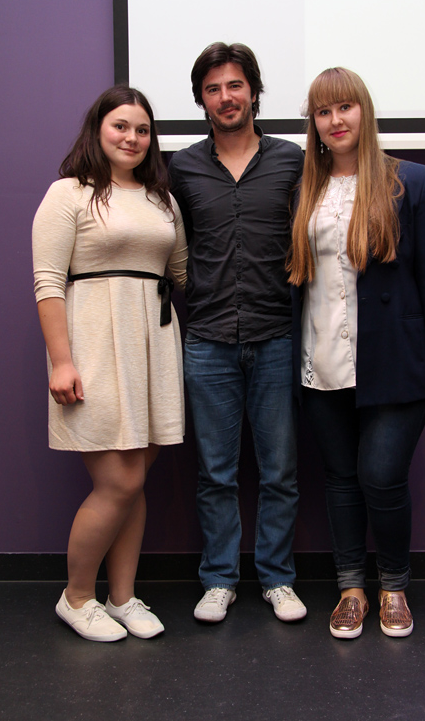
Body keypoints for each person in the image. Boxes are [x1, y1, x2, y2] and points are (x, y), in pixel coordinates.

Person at [288, 67, 425, 638]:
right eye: (323, 111)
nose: (335, 120)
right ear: (314, 124)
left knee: (381, 476)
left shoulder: (410, 181)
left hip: (396, 357)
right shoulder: (305, 189)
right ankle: (350, 589)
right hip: (321, 357)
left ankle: (393, 587)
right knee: (341, 478)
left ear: (364, 111)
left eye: (345, 107)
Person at [32, 85, 187, 642]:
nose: (132, 137)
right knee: (118, 481)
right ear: (97, 129)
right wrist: (61, 361)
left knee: (135, 479)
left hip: (154, 347)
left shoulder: (162, 200)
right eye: (121, 126)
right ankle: (76, 597)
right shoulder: (68, 193)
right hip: (94, 346)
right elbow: (48, 282)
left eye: (143, 130)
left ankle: (122, 596)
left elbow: (182, 272)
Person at [169, 43, 307, 623]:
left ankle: (277, 579)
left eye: (235, 85)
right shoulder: (182, 168)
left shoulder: (292, 160)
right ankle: (219, 579)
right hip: (207, 339)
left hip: (276, 335)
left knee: (280, 471)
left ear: (253, 91)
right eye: (213, 89)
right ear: (201, 99)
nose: (225, 98)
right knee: (215, 473)